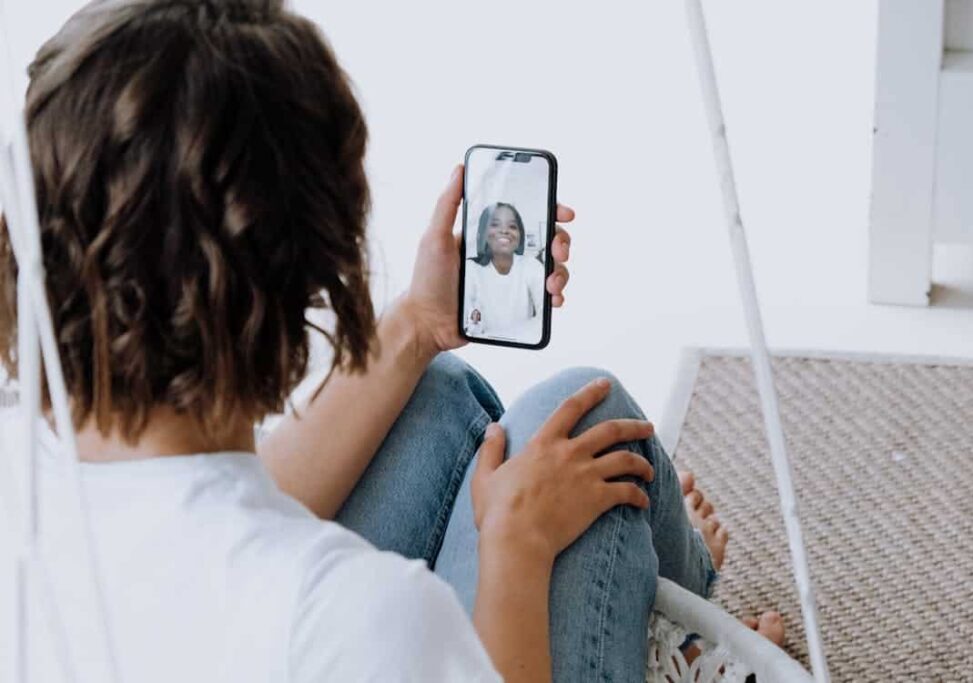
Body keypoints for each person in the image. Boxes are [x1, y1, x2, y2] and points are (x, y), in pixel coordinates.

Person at [0, 1, 780, 681]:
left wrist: (416, 323)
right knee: (577, 421)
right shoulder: (361, 617)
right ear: (310, 268)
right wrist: (516, 542)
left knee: (435, 394)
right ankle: (682, 640)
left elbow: (211, 517)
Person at [464, 202, 545, 340]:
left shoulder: (532, 266)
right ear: (483, 231)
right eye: (495, 224)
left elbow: (544, 316)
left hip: (522, 347)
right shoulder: (470, 268)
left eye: (512, 226)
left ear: (520, 235)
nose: (504, 231)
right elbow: (467, 322)